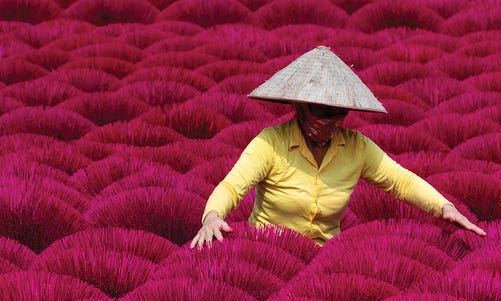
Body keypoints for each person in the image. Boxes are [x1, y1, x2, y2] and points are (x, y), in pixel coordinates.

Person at [190, 46, 485, 249]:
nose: (328, 120)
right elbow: (232, 186)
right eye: (320, 111)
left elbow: (401, 182)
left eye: (336, 112)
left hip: (323, 260)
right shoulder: (271, 143)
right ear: (300, 106)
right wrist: (213, 216)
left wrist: (444, 207)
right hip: (267, 254)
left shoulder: (356, 148)